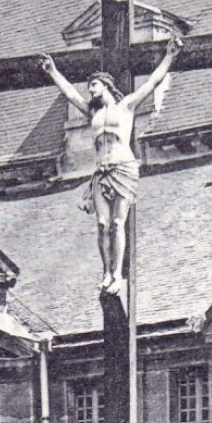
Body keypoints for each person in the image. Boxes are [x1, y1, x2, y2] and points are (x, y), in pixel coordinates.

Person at [39, 36, 183, 295]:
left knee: (118, 222)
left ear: (105, 85)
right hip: (100, 173)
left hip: (123, 168)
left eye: (93, 85)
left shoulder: (126, 106)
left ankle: (117, 274)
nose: (89, 90)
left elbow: (152, 82)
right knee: (102, 224)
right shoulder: (92, 113)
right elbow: (69, 93)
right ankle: (106, 272)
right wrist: (53, 72)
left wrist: (169, 56)